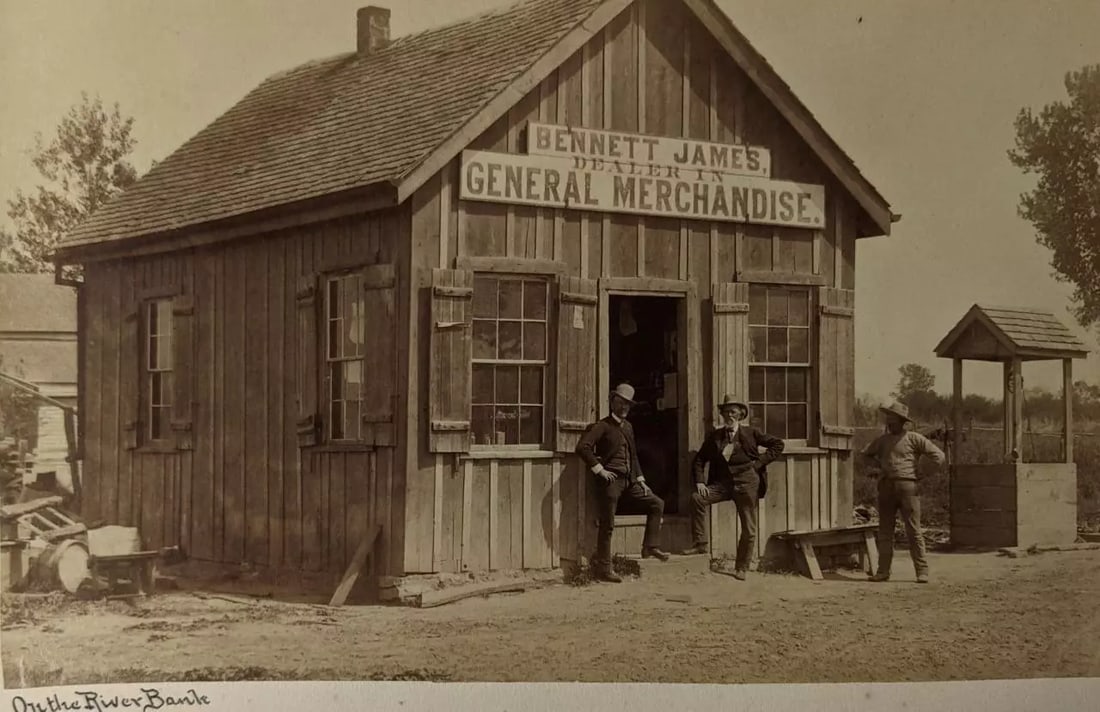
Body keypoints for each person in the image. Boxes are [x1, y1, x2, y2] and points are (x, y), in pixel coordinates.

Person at [680, 394, 784, 580]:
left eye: (733, 411)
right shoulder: (715, 437)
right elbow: (699, 459)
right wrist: (700, 482)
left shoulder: (752, 433)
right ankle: (700, 543)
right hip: (723, 484)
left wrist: (759, 464)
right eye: (726, 411)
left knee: (749, 528)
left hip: (747, 482)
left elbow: (778, 444)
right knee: (697, 498)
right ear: (722, 414)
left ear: (741, 414)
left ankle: (741, 567)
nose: (729, 415)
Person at [575, 383, 669, 583]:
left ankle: (649, 546)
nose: (624, 407)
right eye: (621, 402)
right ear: (612, 402)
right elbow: (583, 447)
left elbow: (633, 456)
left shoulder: (628, 427)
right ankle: (604, 568)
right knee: (608, 524)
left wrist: (641, 480)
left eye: (628, 404)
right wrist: (600, 470)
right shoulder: (602, 426)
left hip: (630, 480)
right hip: (611, 481)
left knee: (657, 504)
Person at [860, 401, 945, 584]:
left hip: (908, 488)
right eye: (888, 417)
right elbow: (864, 455)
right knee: (885, 532)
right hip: (886, 488)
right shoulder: (882, 441)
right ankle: (883, 571)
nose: (890, 421)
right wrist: (878, 467)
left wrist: (922, 472)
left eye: (894, 418)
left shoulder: (914, 438)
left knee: (913, 531)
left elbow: (939, 456)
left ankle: (922, 572)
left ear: (902, 421)